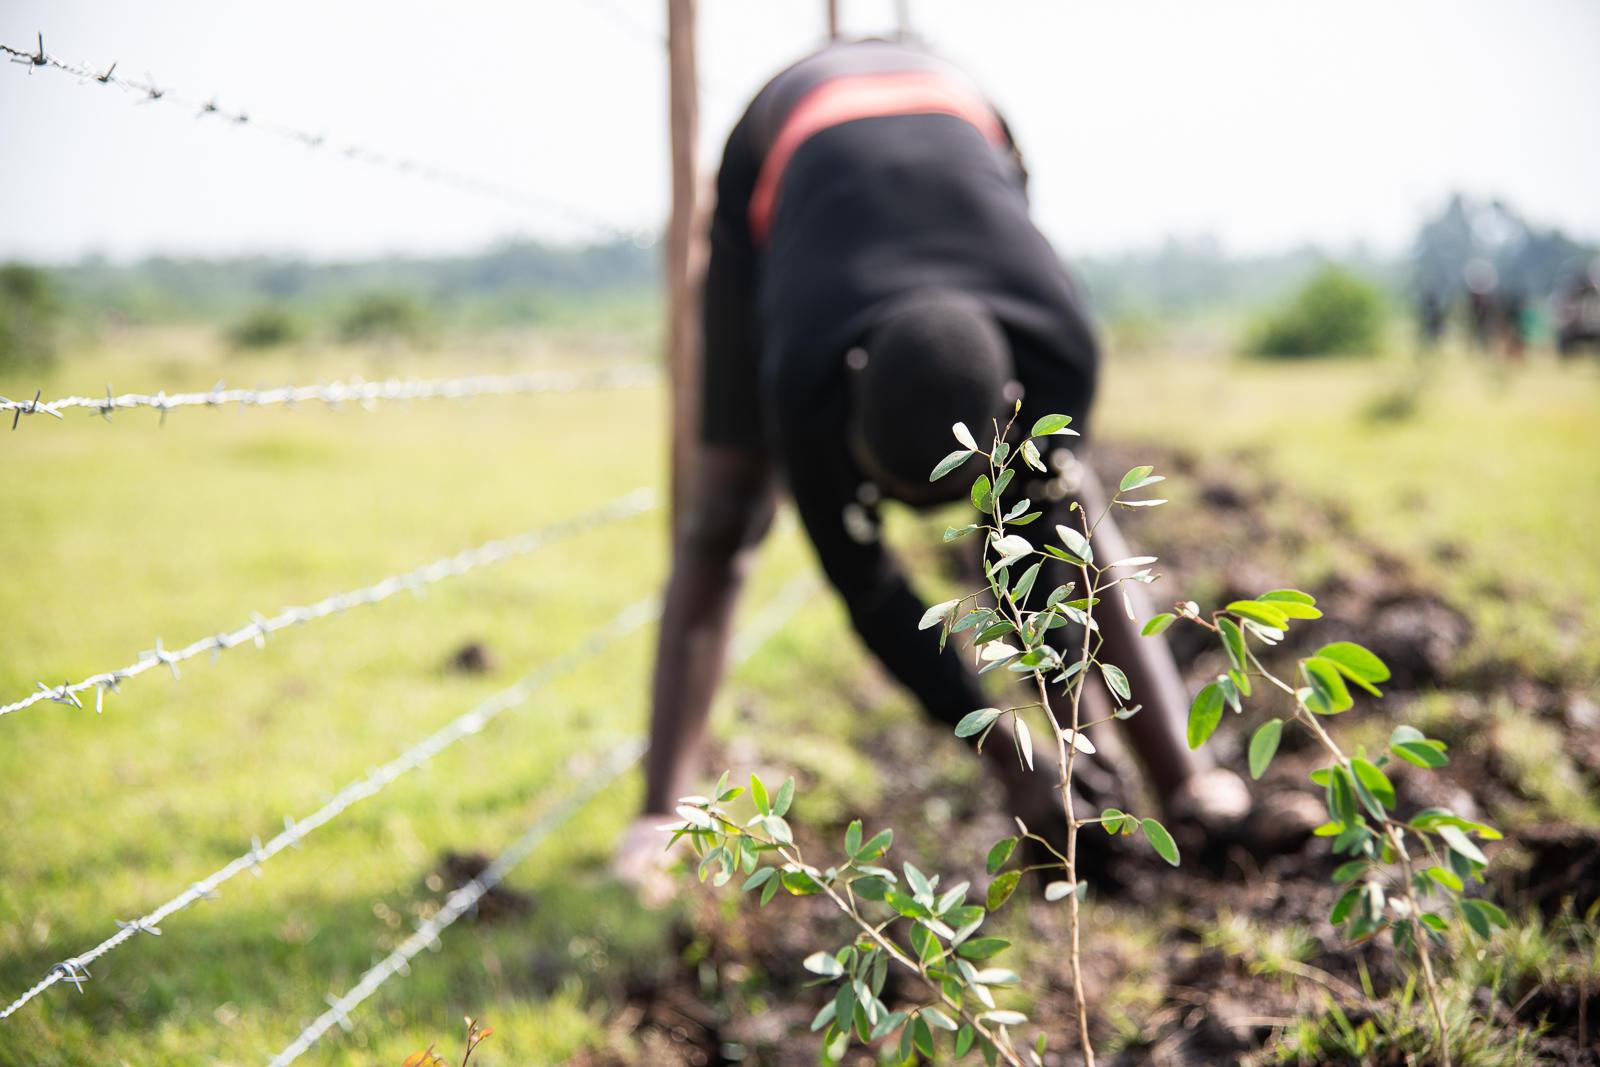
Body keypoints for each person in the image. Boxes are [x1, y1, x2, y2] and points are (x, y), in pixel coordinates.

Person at [615, 38, 1247, 895]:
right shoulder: (799, 373)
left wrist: (1064, 736)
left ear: (1014, 397)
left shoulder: (1057, 348)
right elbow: (869, 592)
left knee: (1049, 512)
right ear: (850, 394)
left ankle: (1183, 776)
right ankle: (660, 815)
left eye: (951, 493)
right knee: (723, 513)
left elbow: (1044, 548)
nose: (913, 516)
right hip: (786, 135)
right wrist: (1007, 750)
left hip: (962, 112)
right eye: (892, 491)